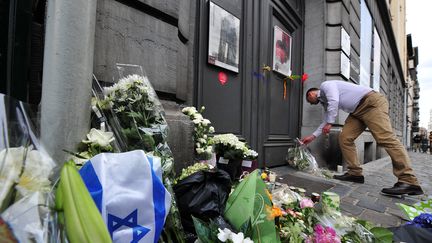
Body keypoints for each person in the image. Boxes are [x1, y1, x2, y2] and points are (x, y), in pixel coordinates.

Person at [301, 80, 423, 196]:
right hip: (356, 112)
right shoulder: (325, 102)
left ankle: (408, 180)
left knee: (385, 138)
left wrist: (330, 123)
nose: (311, 103)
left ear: (311, 93)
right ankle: (355, 173)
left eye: (309, 100)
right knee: (345, 138)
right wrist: (312, 137)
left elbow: (334, 100)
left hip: (371, 103)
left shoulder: (326, 85)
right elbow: (326, 120)